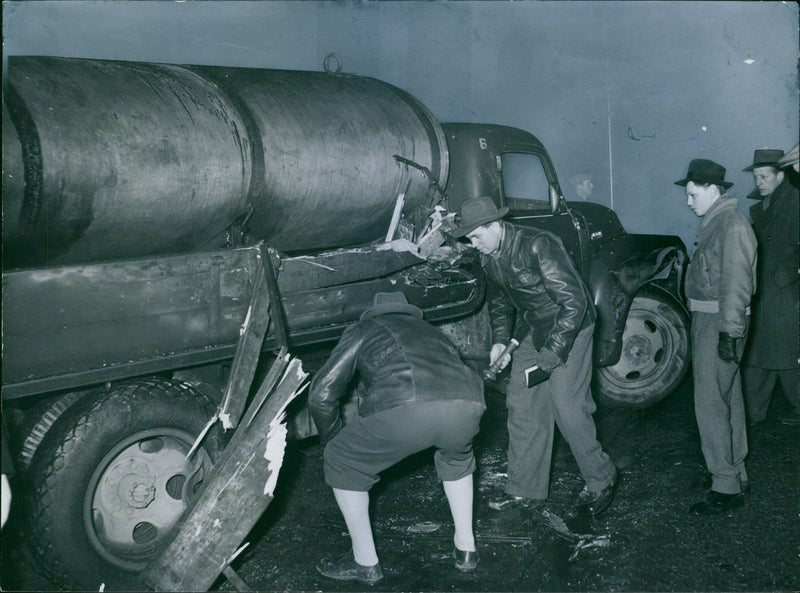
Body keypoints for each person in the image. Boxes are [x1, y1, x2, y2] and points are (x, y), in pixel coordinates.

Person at [451, 196, 617, 516]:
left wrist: (554, 353)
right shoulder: (489, 256)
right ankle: (526, 489)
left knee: (568, 407)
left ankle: (601, 480)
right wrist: (500, 341)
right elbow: (500, 301)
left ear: (496, 225)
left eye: (476, 235)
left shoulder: (538, 245)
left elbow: (575, 302)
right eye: (468, 238)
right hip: (535, 329)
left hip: (571, 327)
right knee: (523, 403)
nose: (473, 244)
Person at [309, 291, 486, 584]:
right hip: (469, 403)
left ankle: (364, 563)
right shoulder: (432, 332)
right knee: (457, 460)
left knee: (342, 460)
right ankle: (466, 549)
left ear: (375, 313)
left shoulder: (364, 329)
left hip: (409, 404)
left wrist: (332, 442)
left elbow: (321, 394)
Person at [675, 159, 757, 516]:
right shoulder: (718, 221)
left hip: (720, 321)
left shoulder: (731, 225)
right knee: (728, 399)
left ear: (711, 189)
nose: (688, 202)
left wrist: (730, 332)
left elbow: (738, 285)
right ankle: (734, 471)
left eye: (692, 195)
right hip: (714, 319)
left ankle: (724, 485)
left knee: (709, 403)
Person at [740, 148, 799, 426]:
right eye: (756, 177)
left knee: (784, 352)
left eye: (764, 176)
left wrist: (786, 275)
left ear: (780, 176)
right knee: (762, 350)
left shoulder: (794, 202)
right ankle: (754, 411)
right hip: (765, 288)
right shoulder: (767, 205)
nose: (759, 182)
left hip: (784, 289)